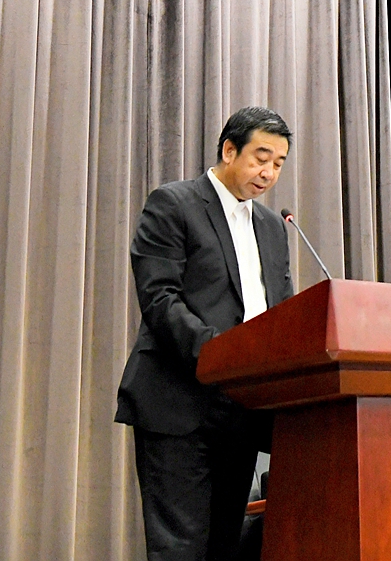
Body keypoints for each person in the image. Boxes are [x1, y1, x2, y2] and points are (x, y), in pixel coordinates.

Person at [115, 107, 297, 561]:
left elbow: (281, 311)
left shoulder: (272, 227)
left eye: (278, 163)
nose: (269, 172)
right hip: (180, 402)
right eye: (261, 158)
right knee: (180, 549)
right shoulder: (173, 204)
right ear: (229, 150)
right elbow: (160, 298)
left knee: (224, 546)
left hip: (242, 410)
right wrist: (223, 354)